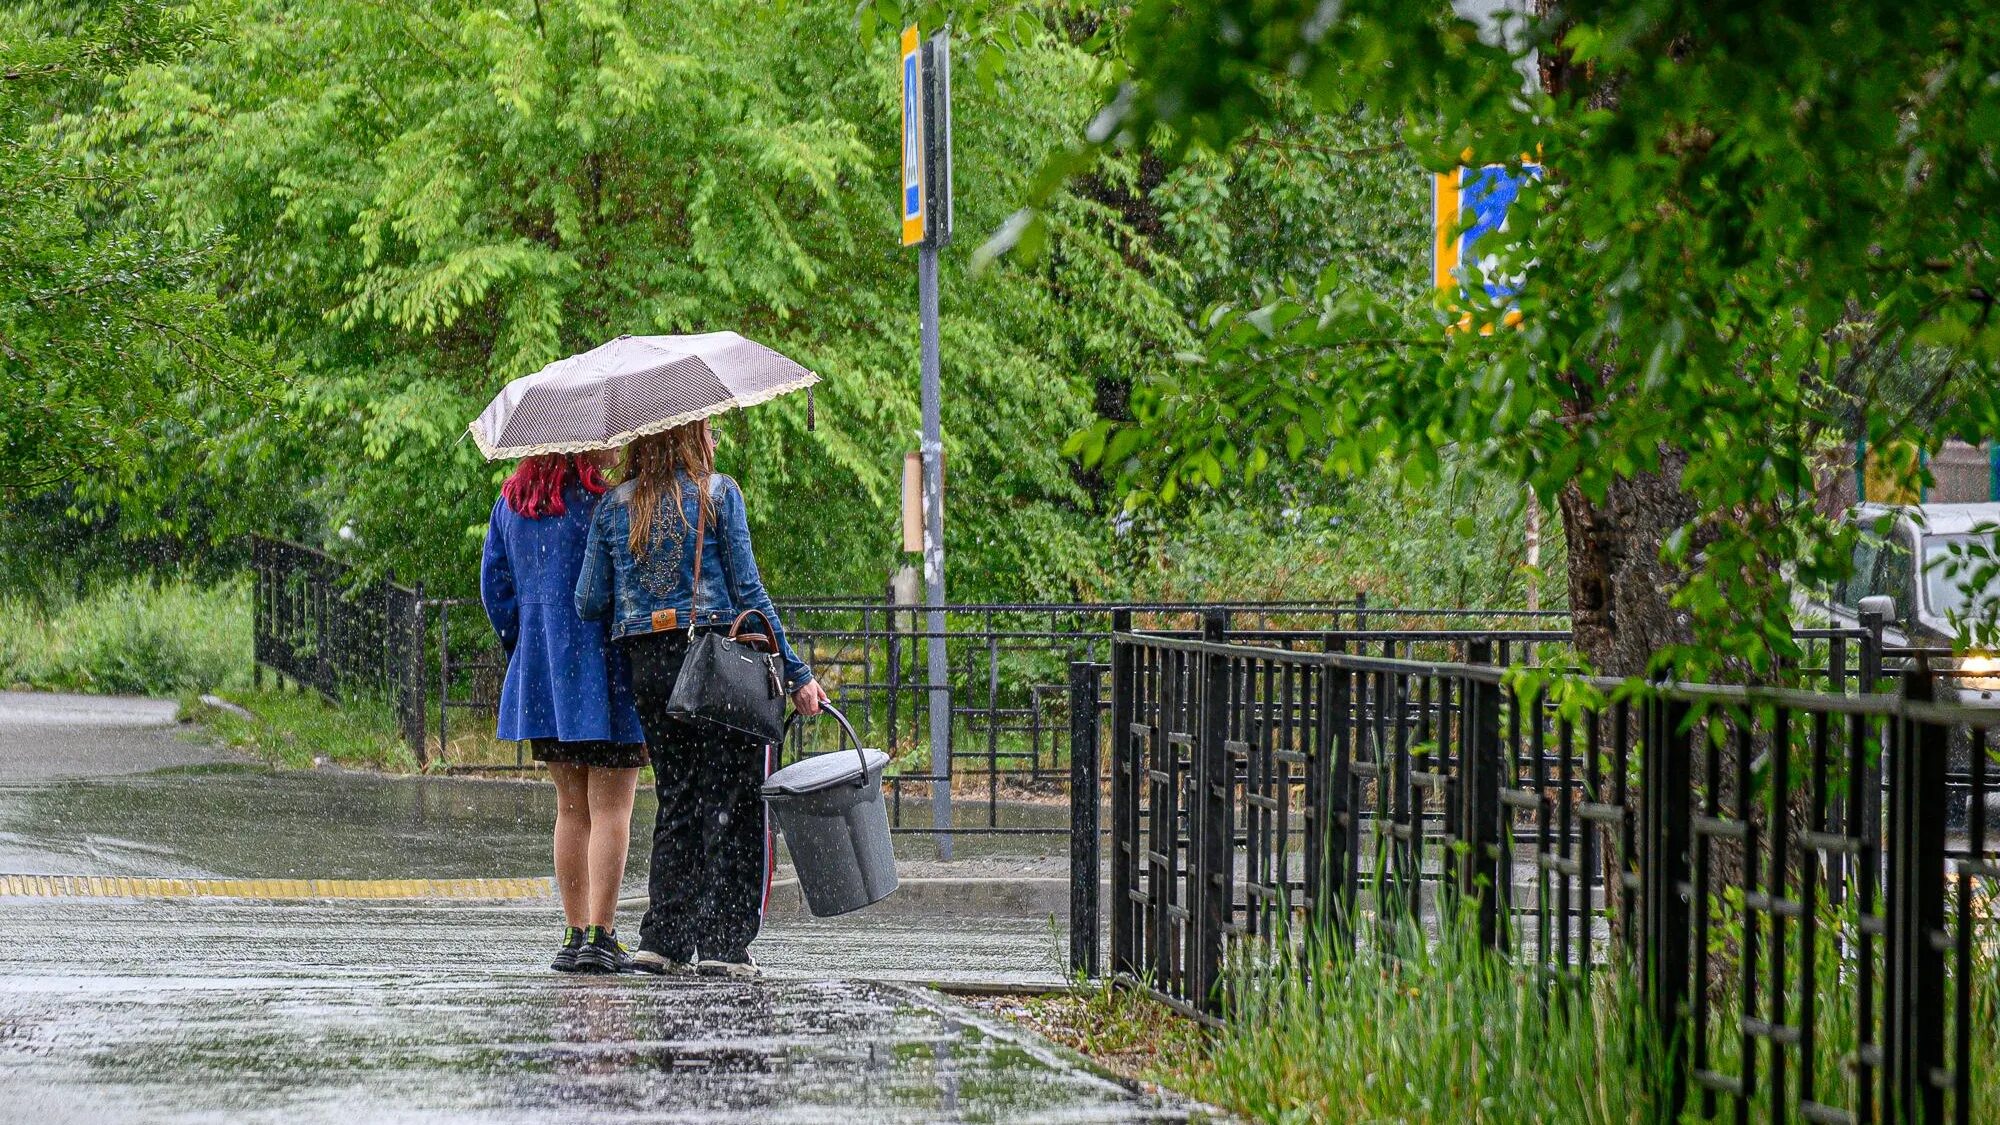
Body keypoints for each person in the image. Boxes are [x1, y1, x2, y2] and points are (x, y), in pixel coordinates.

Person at [576, 419, 827, 978]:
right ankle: (722, 943)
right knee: (733, 802)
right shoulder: (718, 494)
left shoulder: (614, 506)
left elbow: (589, 600)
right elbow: (748, 590)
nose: (716, 443)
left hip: (650, 668)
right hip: (715, 661)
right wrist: (794, 670)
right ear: (688, 438)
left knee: (677, 798)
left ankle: (663, 938)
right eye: (709, 432)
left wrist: (643, 595)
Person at [481, 451, 647, 974]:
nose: (614, 445)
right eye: (605, 439)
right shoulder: (608, 504)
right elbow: (628, 590)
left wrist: (530, 646)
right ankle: (603, 933)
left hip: (547, 683)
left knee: (570, 810)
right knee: (613, 810)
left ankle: (574, 935)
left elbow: (495, 591)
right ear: (580, 444)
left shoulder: (511, 506)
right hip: (608, 677)